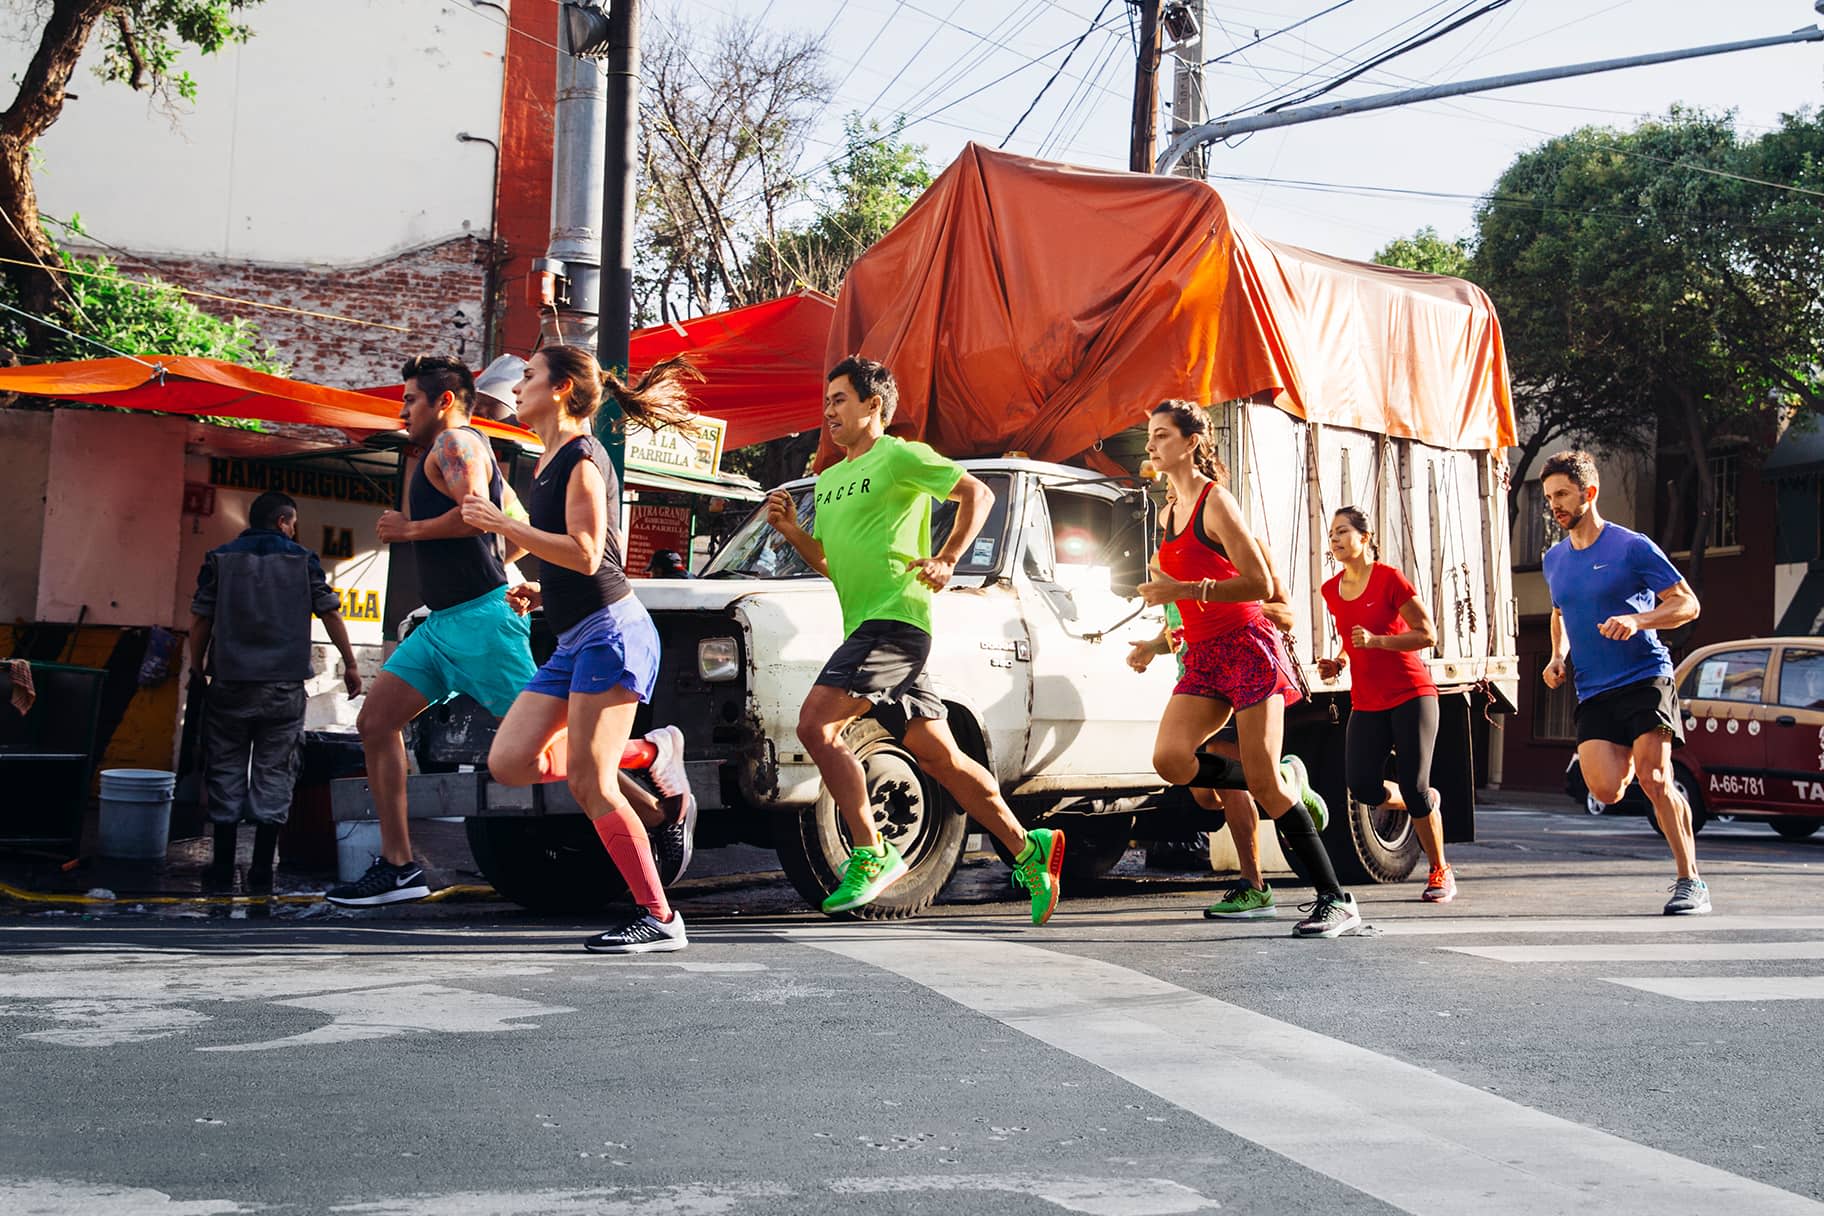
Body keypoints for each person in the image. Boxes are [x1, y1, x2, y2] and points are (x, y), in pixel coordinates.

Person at [764, 355, 1064, 924]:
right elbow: (831, 562)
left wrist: (949, 557)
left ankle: (873, 853)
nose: (829, 411)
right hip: (868, 626)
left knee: (816, 727)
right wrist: (790, 531)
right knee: (939, 756)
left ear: (873, 405)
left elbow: (979, 496)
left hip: (898, 622)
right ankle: (1029, 849)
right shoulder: (828, 480)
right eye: (826, 401)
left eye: (840, 400)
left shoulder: (900, 457)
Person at [465, 346, 701, 953]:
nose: (518, 387)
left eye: (530, 377)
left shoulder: (583, 458)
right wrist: (543, 592)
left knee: (590, 783)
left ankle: (660, 917)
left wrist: (503, 525)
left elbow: (590, 552)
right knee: (511, 763)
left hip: (612, 634)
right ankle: (650, 754)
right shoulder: (545, 460)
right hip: (576, 636)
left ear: (563, 389)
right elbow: (582, 562)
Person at [1137, 400, 1360, 939]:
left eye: (1161, 436)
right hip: (1204, 656)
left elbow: (1260, 586)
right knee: (1171, 759)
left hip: (1247, 648)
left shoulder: (1217, 505)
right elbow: (1182, 604)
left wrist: (1181, 589)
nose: (1150, 447)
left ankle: (1336, 899)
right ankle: (1280, 780)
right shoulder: (1168, 511)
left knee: (1261, 782)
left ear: (1191, 443)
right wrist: (1157, 640)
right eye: (1150, 436)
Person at [329, 355, 544, 907]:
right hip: (442, 623)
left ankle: (657, 791)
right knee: (375, 723)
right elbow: (513, 530)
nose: (401, 410)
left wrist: (409, 530)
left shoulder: (457, 444)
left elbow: (475, 512)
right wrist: (501, 564)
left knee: (559, 747)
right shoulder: (453, 451)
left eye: (409, 400)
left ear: (443, 401)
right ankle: (399, 866)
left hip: (480, 624)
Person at [1539, 449, 1707, 915]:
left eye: (1562, 495)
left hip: (1644, 676)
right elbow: (1560, 614)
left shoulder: (1632, 546)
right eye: (1549, 497)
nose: (1554, 505)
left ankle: (1690, 880)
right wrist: (1557, 657)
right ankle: (1637, 754)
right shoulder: (1554, 560)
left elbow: (1687, 604)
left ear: (1588, 494)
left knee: (1656, 779)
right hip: (1594, 689)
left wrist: (1639, 620)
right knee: (1606, 790)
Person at [189, 490, 363, 894]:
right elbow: (331, 611)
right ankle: (262, 871)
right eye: (293, 523)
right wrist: (350, 663)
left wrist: (198, 668)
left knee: (226, 771)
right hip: (283, 688)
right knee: (274, 773)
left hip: (230, 684)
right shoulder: (303, 560)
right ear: (285, 521)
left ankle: (220, 869)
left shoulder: (220, 558)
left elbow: (201, 619)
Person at [1128, 525, 1303, 921]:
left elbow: (1287, 614)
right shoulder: (1172, 559)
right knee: (1207, 795)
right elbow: (1179, 623)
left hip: (1242, 672)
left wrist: (1231, 606)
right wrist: (1153, 647)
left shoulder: (1250, 549)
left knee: (1236, 784)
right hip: (1197, 678)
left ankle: (1254, 885)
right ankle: (1286, 780)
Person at [1317, 506, 1455, 903]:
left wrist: (1378, 642)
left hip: (1412, 693)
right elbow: (1350, 637)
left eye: (1343, 532)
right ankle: (1425, 801)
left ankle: (1439, 870)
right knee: (1360, 784)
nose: (1336, 540)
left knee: (1413, 786)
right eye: (1331, 535)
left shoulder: (1389, 579)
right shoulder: (1332, 589)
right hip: (1367, 700)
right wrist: (1339, 661)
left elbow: (1426, 634)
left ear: (1365, 536)